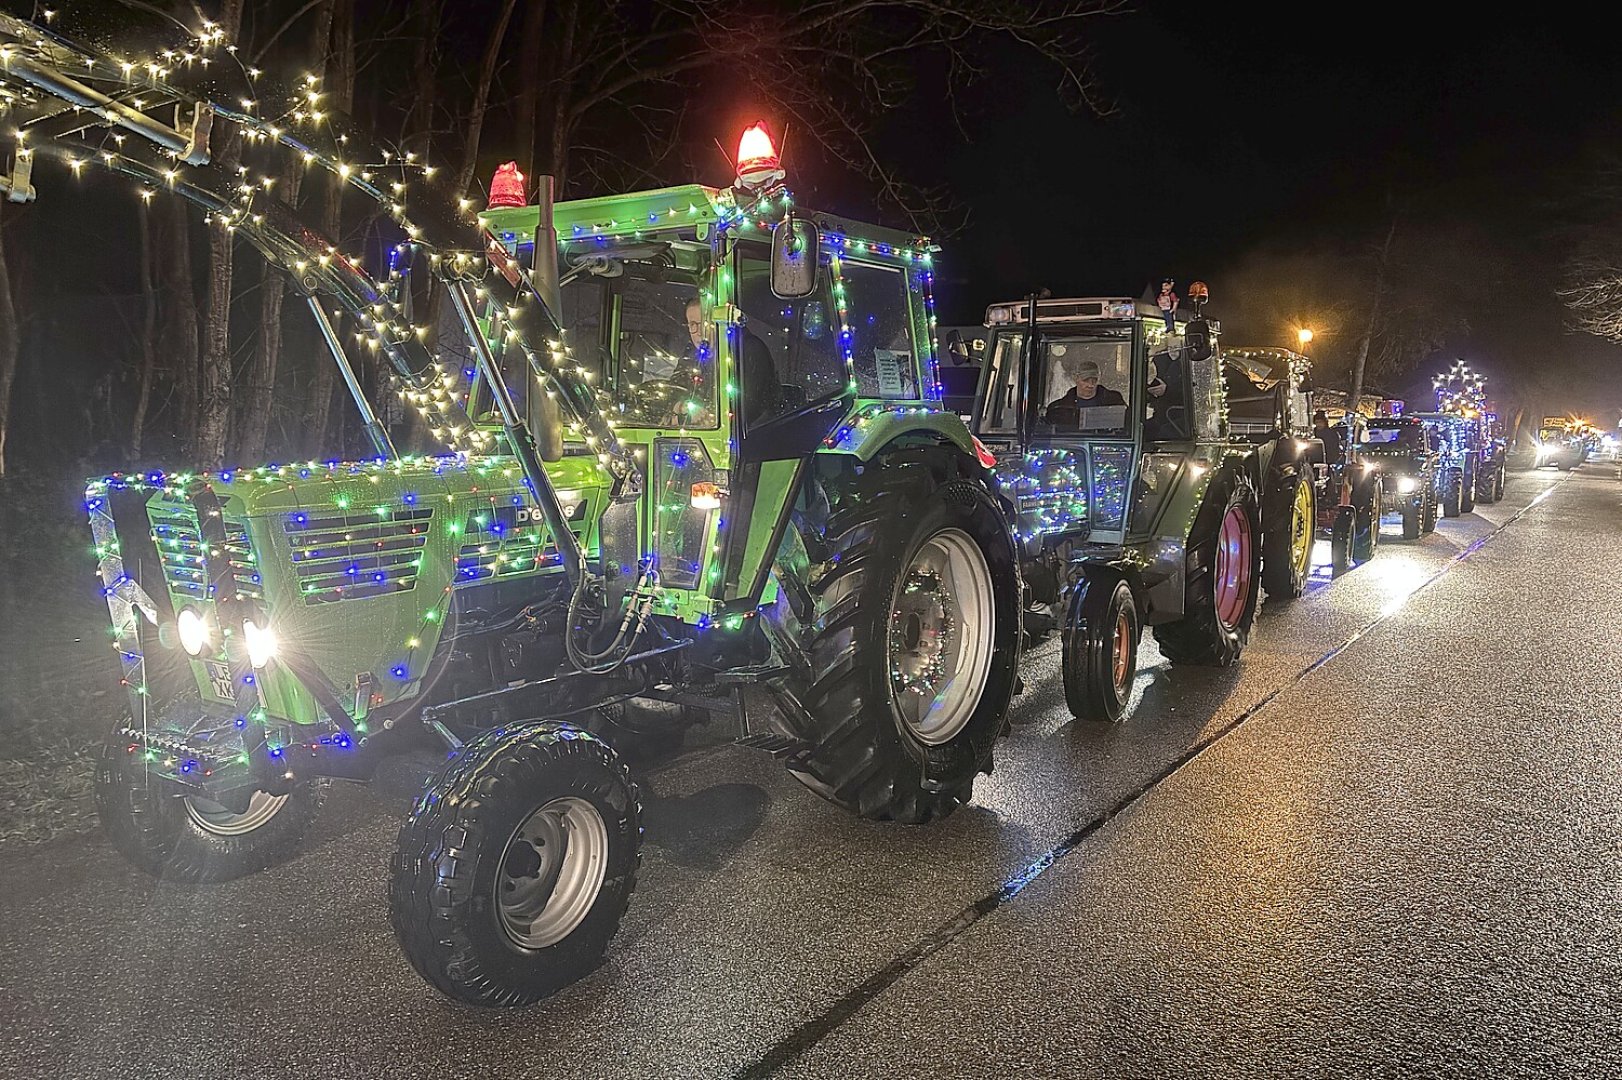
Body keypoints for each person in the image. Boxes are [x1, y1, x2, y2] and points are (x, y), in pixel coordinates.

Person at [1045, 358, 1125, 427]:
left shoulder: (1115, 402)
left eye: (1094, 380)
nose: (1090, 385)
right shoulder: (1058, 409)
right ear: (1076, 378)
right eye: (1085, 380)